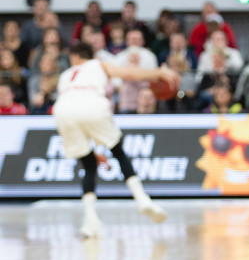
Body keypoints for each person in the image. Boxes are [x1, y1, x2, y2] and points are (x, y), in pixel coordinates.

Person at [53, 42, 179, 238]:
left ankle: (90, 219)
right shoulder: (98, 64)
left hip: (62, 109)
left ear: (75, 58)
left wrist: (92, 153)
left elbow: (73, 114)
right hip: (91, 103)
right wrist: (157, 73)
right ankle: (142, 199)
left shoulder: (65, 76)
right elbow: (127, 73)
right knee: (118, 152)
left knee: (88, 164)